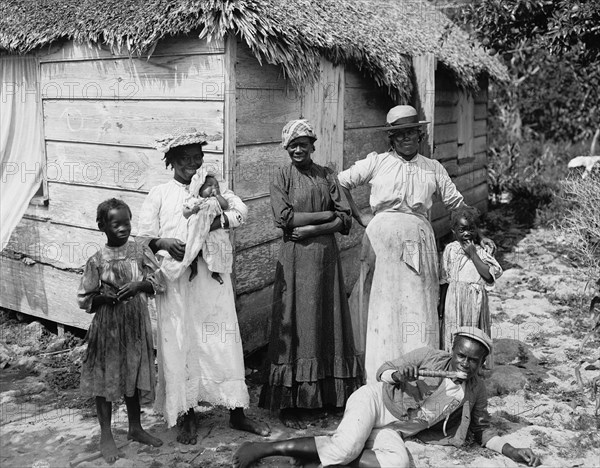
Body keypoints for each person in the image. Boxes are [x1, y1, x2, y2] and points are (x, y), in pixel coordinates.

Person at [232, 327, 543, 468]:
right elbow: (383, 371)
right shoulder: (428, 357)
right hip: (376, 402)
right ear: (452, 349)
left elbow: (481, 428)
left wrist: (511, 449)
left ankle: (318, 458)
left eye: (474, 360)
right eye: (461, 355)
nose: (465, 363)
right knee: (345, 446)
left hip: (396, 429)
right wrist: (399, 376)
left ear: (482, 362)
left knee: (397, 464)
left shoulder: (475, 390)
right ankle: (262, 449)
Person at [338, 105, 495, 381]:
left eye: (410, 132)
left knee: (416, 305)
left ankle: (420, 373)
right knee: (381, 305)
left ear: (420, 135)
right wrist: (360, 215)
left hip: (417, 241)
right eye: (399, 134)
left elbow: (457, 204)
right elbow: (341, 183)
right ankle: (379, 372)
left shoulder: (432, 168)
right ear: (391, 138)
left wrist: (479, 236)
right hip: (381, 243)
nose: (405, 138)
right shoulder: (376, 162)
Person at [137, 127, 270, 444]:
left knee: (222, 344)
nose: (192, 165)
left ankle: (237, 413)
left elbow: (241, 212)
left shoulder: (215, 188)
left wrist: (216, 220)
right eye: (185, 159)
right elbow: (141, 240)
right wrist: (163, 242)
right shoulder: (160, 194)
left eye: (197, 158)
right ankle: (186, 415)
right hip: (178, 283)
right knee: (181, 344)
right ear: (171, 161)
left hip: (213, 280)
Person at [258, 120, 364, 429]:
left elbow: (345, 220)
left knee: (325, 320)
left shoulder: (327, 174)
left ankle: (328, 397)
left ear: (312, 145)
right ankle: (292, 404)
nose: (298, 149)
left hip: (326, 260)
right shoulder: (281, 176)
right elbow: (284, 218)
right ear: (286, 148)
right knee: (296, 321)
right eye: (292, 144)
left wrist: (314, 227)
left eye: (303, 143)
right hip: (295, 262)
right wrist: (324, 214)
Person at [78, 198, 164, 463]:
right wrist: (105, 298)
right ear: (102, 226)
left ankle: (135, 428)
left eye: (126, 222)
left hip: (135, 325)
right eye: (116, 224)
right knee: (105, 378)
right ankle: (106, 436)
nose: (123, 228)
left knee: (133, 372)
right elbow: (84, 298)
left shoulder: (139, 252)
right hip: (108, 327)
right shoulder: (97, 260)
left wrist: (139, 286)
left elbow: (160, 281)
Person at [440, 206, 502, 367]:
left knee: (474, 334)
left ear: (477, 230)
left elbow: (489, 276)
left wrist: (473, 254)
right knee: (453, 332)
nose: (467, 233)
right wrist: (440, 305)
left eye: (470, 229)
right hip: (454, 301)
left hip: (475, 302)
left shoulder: (482, 251)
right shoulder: (450, 250)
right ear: (454, 231)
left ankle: (475, 368)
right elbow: (444, 279)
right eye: (462, 230)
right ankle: (452, 366)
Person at [173, 168, 232, 285]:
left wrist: (219, 196)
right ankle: (193, 269)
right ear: (199, 188)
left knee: (219, 251)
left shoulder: (215, 201)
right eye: (210, 185)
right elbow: (185, 213)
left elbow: (226, 206)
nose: (214, 188)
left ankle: (216, 273)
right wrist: (192, 211)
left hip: (213, 234)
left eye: (217, 186)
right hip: (197, 232)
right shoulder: (195, 201)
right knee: (193, 249)